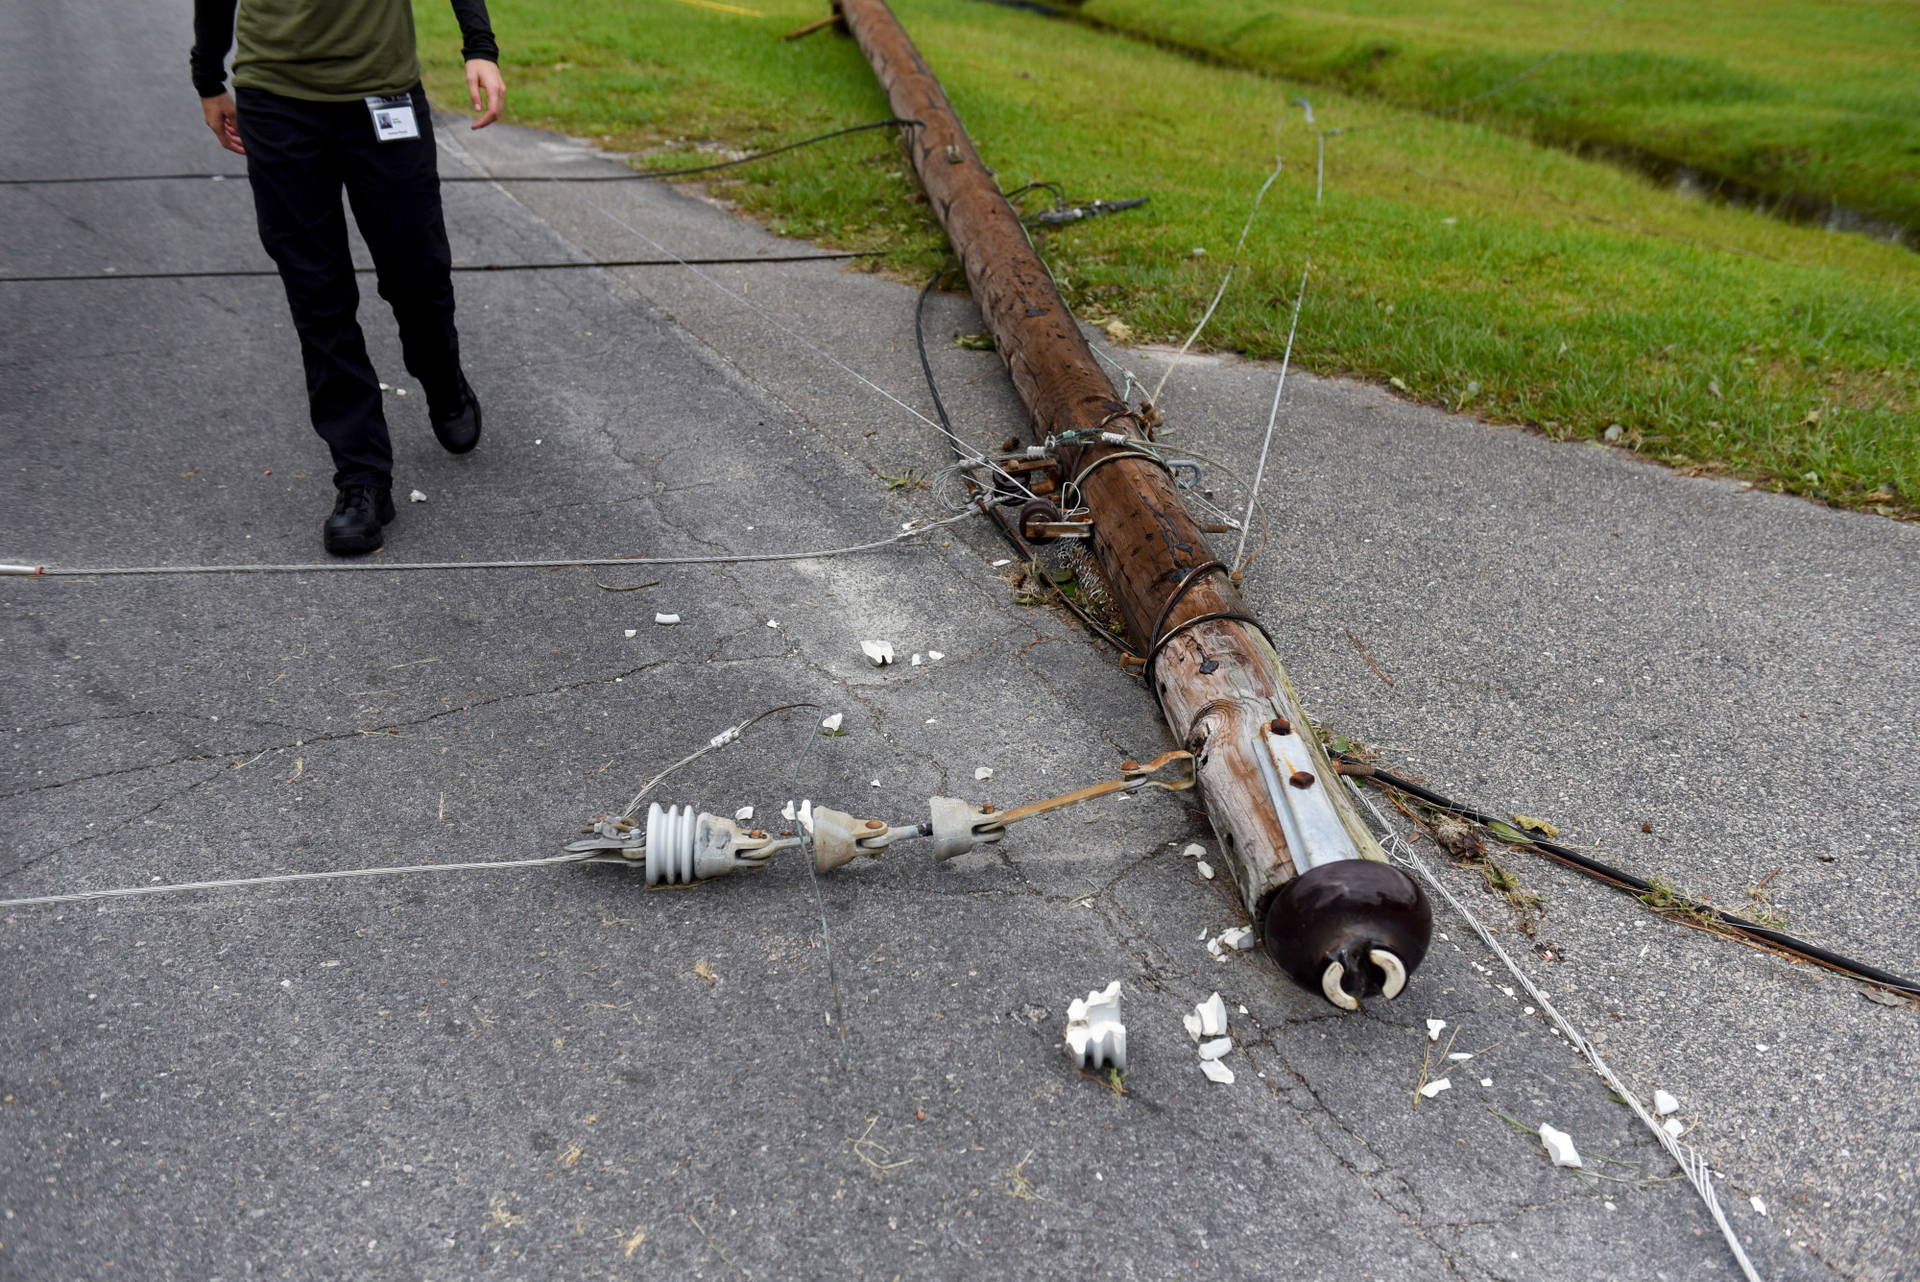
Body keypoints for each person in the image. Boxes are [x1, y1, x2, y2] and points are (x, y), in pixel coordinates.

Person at [190, 1, 508, 555]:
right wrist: (208, 76)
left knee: (418, 273)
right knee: (318, 295)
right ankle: (362, 478)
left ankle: (440, 374)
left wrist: (479, 46)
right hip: (276, 99)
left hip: (383, 91)